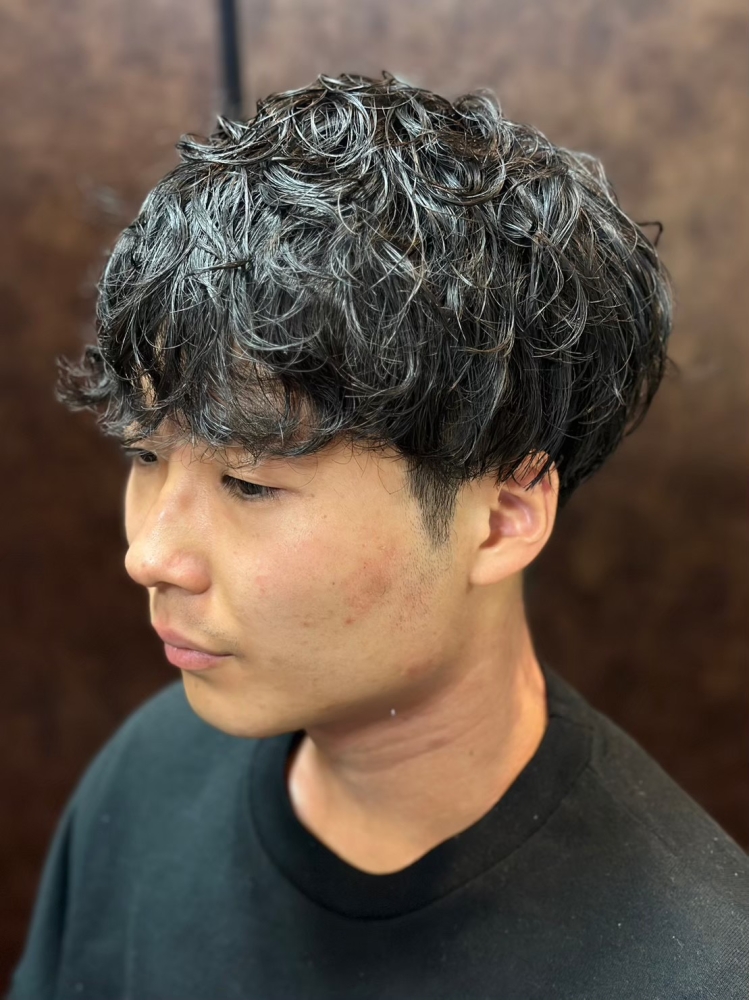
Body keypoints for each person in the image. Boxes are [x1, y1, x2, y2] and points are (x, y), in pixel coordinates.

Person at [8, 71, 747, 1000]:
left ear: (503, 518)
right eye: (145, 455)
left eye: (248, 483)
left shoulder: (689, 968)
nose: (149, 555)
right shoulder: (148, 782)